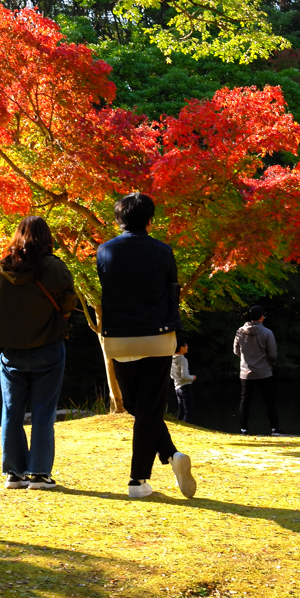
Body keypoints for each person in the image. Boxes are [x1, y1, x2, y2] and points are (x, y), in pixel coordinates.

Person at [97, 192, 196, 499]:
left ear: (118, 219)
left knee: (137, 407)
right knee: (147, 407)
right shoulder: (162, 251)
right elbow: (172, 294)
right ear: (150, 220)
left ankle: (164, 461)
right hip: (157, 335)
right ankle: (144, 476)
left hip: (120, 336)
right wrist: (179, 336)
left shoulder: (104, 251)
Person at [0, 216, 78, 490]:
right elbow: (68, 302)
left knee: (11, 411)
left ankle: (14, 473)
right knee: (43, 412)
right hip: (48, 346)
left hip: (10, 350)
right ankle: (39, 474)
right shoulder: (55, 268)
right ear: (47, 237)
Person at [233, 305, 282, 436]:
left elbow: (236, 351)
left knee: (245, 401)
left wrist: (246, 358)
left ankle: (243, 428)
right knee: (269, 400)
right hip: (263, 371)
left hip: (245, 372)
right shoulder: (267, 332)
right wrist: (270, 361)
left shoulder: (240, 331)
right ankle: (275, 428)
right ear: (261, 317)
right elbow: (273, 353)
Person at [170, 340, 196, 423]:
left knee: (181, 412)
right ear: (181, 348)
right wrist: (192, 377)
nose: (187, 347)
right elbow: (184, 376)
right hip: (185, 387)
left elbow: (171, 375)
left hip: (177, 388)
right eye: (186, 345)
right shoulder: (183, 359)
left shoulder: (172, 359)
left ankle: (178, 426)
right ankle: (187, 426)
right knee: (188, 413)